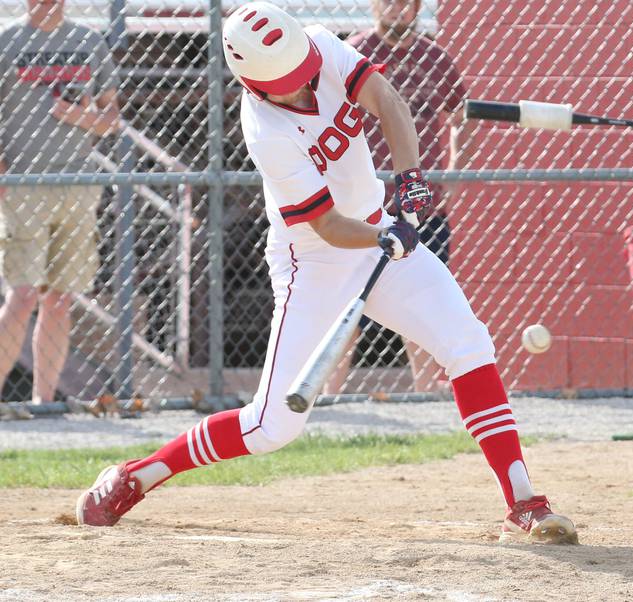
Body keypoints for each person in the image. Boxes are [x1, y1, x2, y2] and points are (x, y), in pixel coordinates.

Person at [74, 2, 577, 545]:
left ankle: (523, 499)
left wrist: (409, 179)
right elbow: (330, 226)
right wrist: (383, 236)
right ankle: (137, 475)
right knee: (272, 428)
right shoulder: (264, 129)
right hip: (312, 260)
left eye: (302, 75)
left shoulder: (320, 46)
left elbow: (386, 100)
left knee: (469, 343)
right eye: (285, 85)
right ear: (253, 84)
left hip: (378, 231)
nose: (302, 89)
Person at [323, 0, 475, 395]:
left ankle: (424, 392)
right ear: (375, 7)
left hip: (422, 207)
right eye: (389, 3)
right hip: (362, 208)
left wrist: (455, 173)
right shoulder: (354, 53)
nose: (398, 11)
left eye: (407, 4)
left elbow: (461, 117)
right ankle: (328, 396)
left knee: (422, 300)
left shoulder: (434, 58)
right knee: (346, 302)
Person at [0, 0, 120, 405]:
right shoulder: (7, 40)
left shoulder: (88, 41)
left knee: (59, 298)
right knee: (22, 296)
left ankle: (43, 402)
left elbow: (111, 119)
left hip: (77, 182)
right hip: (24, 183)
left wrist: (77, 116)